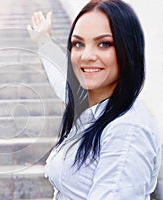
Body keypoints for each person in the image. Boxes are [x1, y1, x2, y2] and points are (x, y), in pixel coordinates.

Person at [27, 0, 162, 199]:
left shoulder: (127, 132)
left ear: (128, 50)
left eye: (104, 44)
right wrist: (44, 41)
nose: (86, 56)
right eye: (78, 44)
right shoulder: (92, 102)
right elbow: (62, 81)